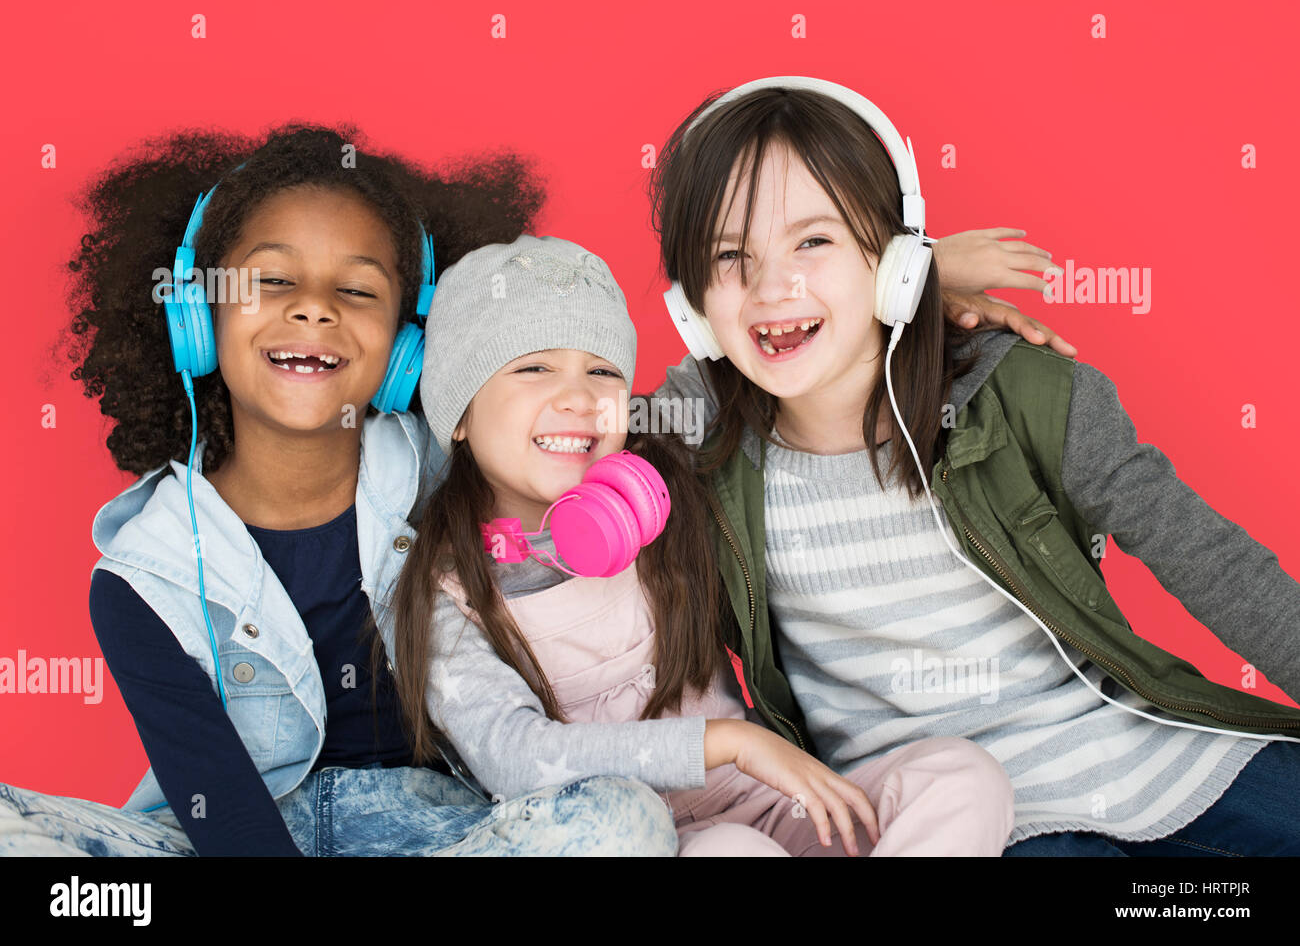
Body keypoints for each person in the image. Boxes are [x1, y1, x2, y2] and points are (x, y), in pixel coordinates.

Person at [648, 76, 1300, 855]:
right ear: (690, 307)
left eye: (813, 241)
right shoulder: (697, 445)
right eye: (730, 255)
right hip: (942, 815)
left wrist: (913, 281)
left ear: (890, 259)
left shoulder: (1019, 393)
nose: (770, 287)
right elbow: (557, 440)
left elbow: (1213, 562)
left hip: (1144, 750)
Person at [0, 126, 676, 857]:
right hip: (234, 838)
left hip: (445, 831)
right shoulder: (144, 577)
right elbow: (222, 812)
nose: (314, 308)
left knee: (623, 819)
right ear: (196, 315)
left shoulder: (453, 473)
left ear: (405, 347)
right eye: (272, 280)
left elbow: (572, 455)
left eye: (356, 290)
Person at [380, 233, 1017, 856]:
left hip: (775, 800)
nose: (579, 397)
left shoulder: (661, 477)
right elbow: (518, 758)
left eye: (602, 371)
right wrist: (728, 742)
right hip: (662, 838)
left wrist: (907, 288)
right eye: (534, 367)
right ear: (457, 414)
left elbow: (756, 366)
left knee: (962, 777)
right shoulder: (447, 592)